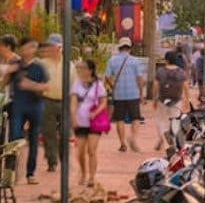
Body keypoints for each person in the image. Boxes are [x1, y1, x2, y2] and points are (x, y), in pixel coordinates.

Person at [8, 38, 49, 184]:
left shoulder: (39, 67)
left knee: (33, 140)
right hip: (18, 105)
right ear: (21, 49)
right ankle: (10, 173)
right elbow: (4, 83)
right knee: (14, 138)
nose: (29, 50)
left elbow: (46, 87)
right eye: (26, 47)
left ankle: (30, 173)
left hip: (35, 106)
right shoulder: (16, 66)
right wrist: (7, 72)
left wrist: (30, 85)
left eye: (32, 47)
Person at [69, 58, 106, 187]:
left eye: (83, 68)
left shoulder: (98, 84)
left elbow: (103, 101)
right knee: (80, 152)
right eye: (79, 68)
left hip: (94, 122)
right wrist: (73, 117)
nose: (80, 70)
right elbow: (73, 101)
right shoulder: (76, 84)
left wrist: (96, 112)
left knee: (91, 150)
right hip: (80, 121)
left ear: (90, 70)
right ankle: (83, 173)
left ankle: (91, 177)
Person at [105, 37, 145, 153]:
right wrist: (141, 94)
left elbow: (107, 76)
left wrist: (112, 85)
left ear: (119, 48)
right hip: (133, 93)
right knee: (136, 118)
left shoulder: (112, 60)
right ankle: (133, 138)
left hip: (119, 94)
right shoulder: (135, 60)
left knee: (120, 119)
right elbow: (140, 78)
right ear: (130, 48)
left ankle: (123, 143)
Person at [38, 33, 71, 174]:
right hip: (47, 101)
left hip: (65, 102)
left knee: (65, 132)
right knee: (49, 133)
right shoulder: (42, 64)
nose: (52, 49)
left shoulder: (69, 64)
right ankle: (52, 161)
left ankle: (64, 159)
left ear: (60, 48)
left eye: (54, 46)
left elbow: (74, 84)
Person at [149, 50, 190, 151]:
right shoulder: (181, 72)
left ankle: (162, 137)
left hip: (162, 100)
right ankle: (174, 141)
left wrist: (154, 99)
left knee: (161, 121)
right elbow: (186, 87)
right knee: (175, 120)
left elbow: (155, 86)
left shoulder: (160, 71)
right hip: (176, 100)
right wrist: (187, 101)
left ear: (166, 60)